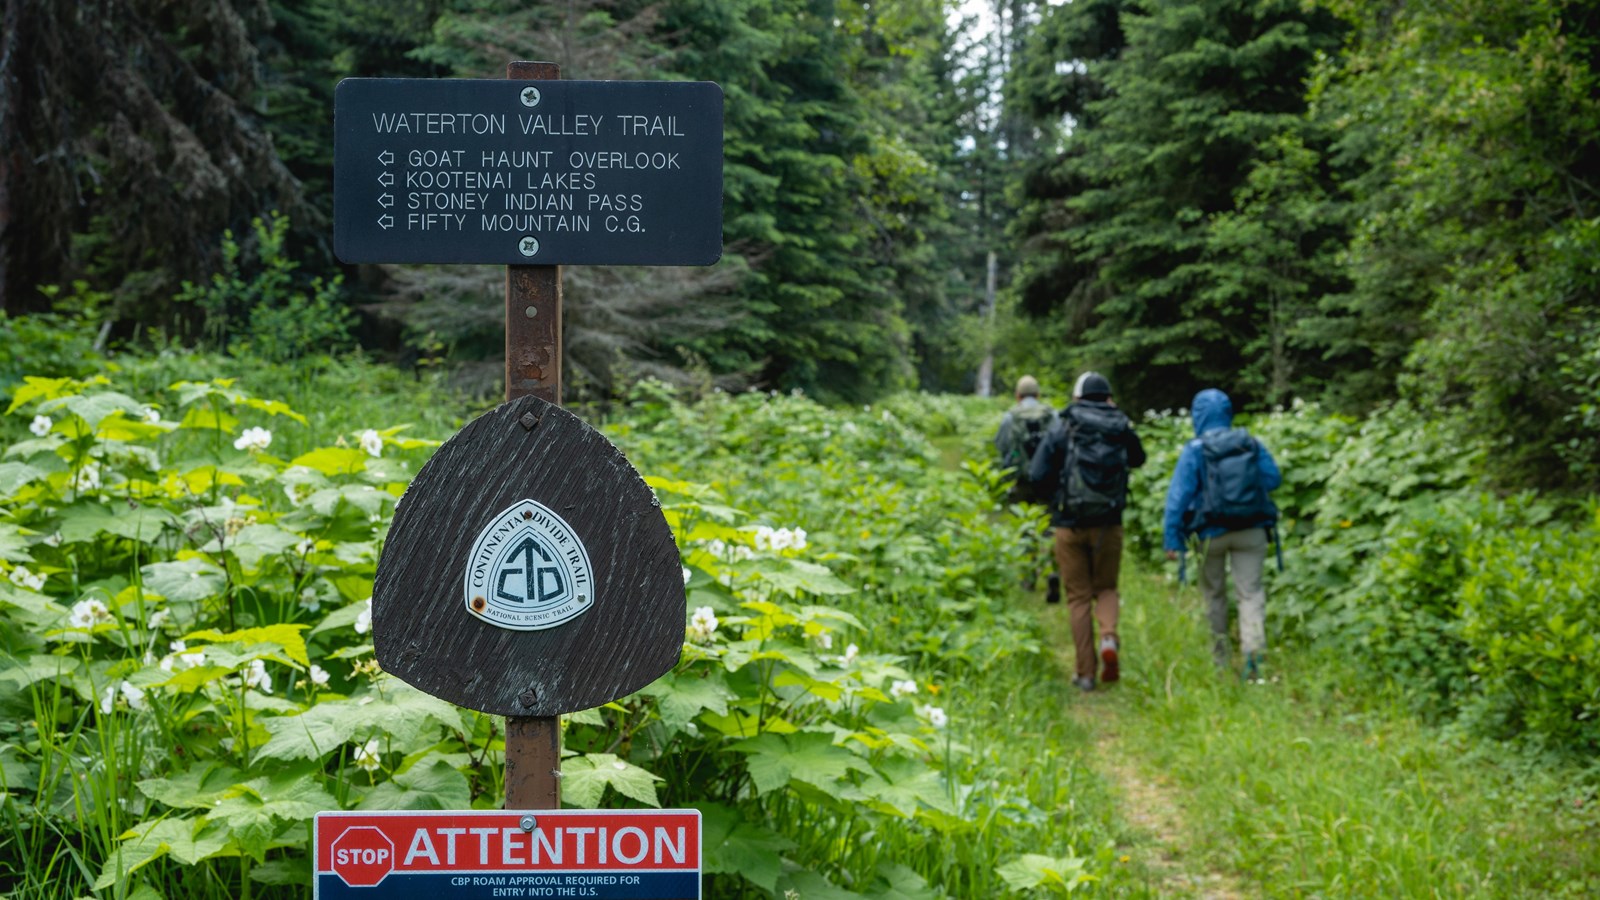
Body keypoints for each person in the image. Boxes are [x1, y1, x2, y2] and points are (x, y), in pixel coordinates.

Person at [1029, 372, 1146, 691]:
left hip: (1069, 524)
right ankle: (1109, 637)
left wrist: (1056, 498)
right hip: (1109, 523)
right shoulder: (1120, 425)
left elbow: (1036, 473)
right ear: (1109, 396)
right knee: (1106, 588)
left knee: (1078, 597)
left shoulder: (1064, 425)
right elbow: (1139, 459)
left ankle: (1085, 673)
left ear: (1077, 396)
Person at [1161, 388, 1282, 682]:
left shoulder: (1195, 449)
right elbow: (1273, 479)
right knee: (1250, 594)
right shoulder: (1249, 442)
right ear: (1228, 413)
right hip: (1252, 530)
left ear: (1197, 415)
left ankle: (1220, 660)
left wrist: (1172, 539)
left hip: (1210, 533)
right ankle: (1254, 662)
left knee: (1213, 596)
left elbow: (1177, 498)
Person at [994, 376, 1058, 599]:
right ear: (1038, 394)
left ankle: (1029, 579)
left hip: (1021, 482)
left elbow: (1001, 446)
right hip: (1048, 481)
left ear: (1018, 395)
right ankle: (1053, 573)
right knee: (1050, 527)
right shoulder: (1052, 415)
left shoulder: (1010, 417)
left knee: (1025, 528)